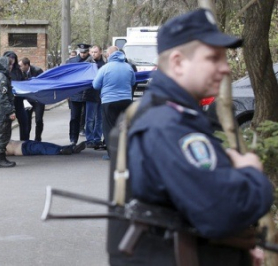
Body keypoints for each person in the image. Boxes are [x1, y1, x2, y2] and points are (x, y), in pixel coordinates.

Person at [124, 8, 273, 266]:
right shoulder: (168, 125)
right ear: (179, 62)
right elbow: (222, 212)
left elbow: (187, 210)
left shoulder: (175, 115)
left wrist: (236, 249)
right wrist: (252, 174)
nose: (225, 68)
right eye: (213, 58)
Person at [92, 45, 135, 158]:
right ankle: (125, 152)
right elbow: (133, 81)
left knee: (109, 127)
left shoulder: (105, 68)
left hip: (109, 101)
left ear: (109, 55)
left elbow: (96, 85)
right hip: (126, 100)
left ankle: (113, 154)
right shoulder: (128, 67)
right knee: (123, 126)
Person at [0, 56, 17, 168]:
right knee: (3, 135)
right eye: (10, 65)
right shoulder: (2, 78)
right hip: (2, 111)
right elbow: (2, 97)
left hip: (1, 110)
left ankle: (1, 157)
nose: (11, 67)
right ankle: (0, 159)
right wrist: (10, 111)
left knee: (5, 134)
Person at [66, 43, 92, 144]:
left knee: (89, 118)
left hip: (89, 93)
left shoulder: (92, 61)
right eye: (81, 52)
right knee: (74, 117)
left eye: (85, 52)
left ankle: (90, 139)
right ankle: (73, 139)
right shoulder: (71, 62)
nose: (83, 54)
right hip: (75, 93)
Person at [0, 140, 86, 158]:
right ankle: (63, 151)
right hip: (23, 149)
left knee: (47, 145)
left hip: (25, 144)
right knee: (43, 148)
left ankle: (69, 148)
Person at [3, 51, 30, 141]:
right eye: (10, 58)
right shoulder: (2, 71)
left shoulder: (18, 70)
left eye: (13, 58)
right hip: (8, 101)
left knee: (24, 122)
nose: (12, 61)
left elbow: (22, 82)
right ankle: (6, 143)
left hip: (18, 100)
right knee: (7, 124)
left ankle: (24, 142)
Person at [83, 45, 106, 149]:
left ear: (100, 52)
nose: (93, 54)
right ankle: (89, 139)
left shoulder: (105, 64)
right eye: (92, 52)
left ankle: (97, 139)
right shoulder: (87, 63)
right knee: (90, 119)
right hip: (91, 94)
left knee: (100, 119)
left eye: (95, 52)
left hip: (102, 94)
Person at [18, 57, 45, 141]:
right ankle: (26, 139)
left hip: (38, 99)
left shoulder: (37, 71)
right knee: (27, 119)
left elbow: (42, 83)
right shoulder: (19, 73)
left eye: (21, 66)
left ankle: (38, 138)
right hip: (27, 100)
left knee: (39, 119)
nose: (20, 67)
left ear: (27, 65)